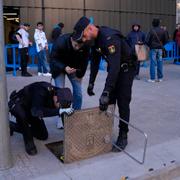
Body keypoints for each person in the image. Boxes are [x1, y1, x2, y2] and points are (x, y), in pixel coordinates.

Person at [72, 16, 137, 151]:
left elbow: (114, 66)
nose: (83, 40)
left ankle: (123, 135)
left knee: (123, 101)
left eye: (84, 37)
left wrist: (106, 91)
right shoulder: (94, 41)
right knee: (108, 102)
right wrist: (91, 83)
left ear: (90, 29)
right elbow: (95, 63)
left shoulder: (109, 38)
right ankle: (105, 130)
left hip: (126, 69)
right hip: (115, 69)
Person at [8, 81, 74, 155]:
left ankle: (14, 127)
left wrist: (70, 135)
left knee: (43, 135)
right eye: (60, 105)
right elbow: (36, 112)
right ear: (55, 97)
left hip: (34, 107)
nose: (61, 107)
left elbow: (63, 114)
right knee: (23, 120)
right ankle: (23, 135)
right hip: (19, 105)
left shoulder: (63, 95)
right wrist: (59, 111)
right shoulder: (42, 91)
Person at [49, 33, 90, 128]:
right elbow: (53, 59)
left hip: (73, 68)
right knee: (61, 93)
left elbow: (85, 60)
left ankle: (75, 116)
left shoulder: (86, 44)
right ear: (71, 39)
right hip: (59, 67)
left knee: (78, 93)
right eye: (75, 45)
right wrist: (64, 67)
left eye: (80, 46)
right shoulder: (60, 42)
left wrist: (80, 74)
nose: (77, 48)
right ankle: (61, 116)